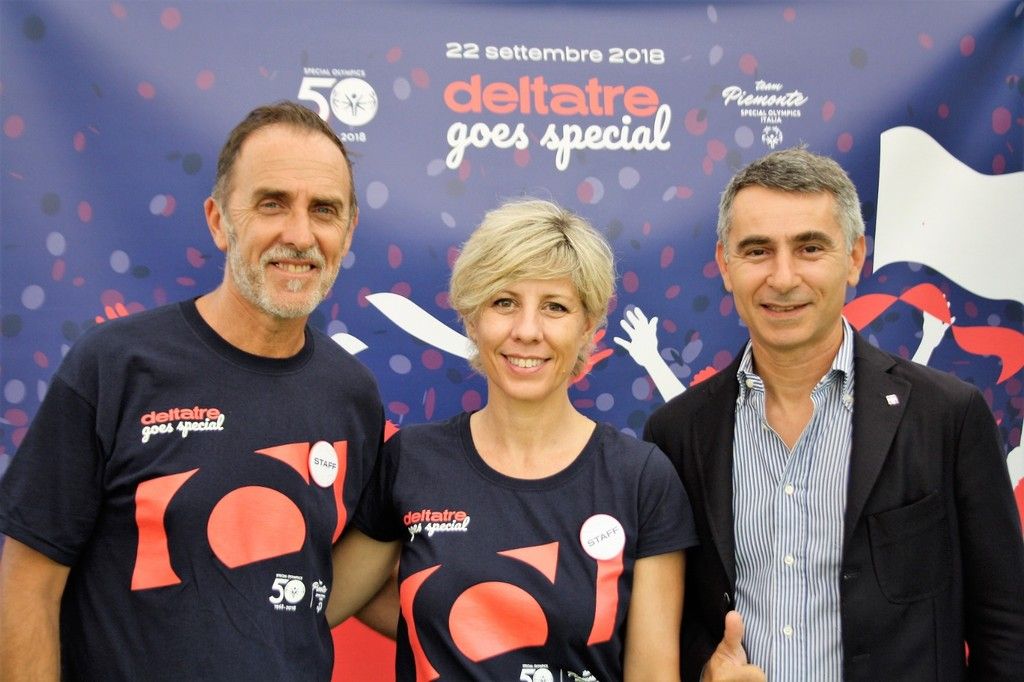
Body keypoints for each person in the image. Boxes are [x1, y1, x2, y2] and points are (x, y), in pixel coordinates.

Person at [0, 101, 385, 681]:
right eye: (272, 203)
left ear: (348, 231)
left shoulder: (352, 394)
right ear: (218, 221)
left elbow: (340, 574)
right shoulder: (115, 366)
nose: (299, 234)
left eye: (324, 210)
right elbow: (29, 582)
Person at [644, 146, 1024, 681]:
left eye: (809, 248)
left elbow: (1005, 625)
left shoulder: (947, 416)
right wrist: (704, 669)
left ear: (854, 257)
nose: (783, 277)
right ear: (725, 266)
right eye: (757, 250)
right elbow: (663, 616)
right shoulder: (677, 433)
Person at [328, 198, 698, 680]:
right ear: (472, 317)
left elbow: (652, 673)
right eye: (504, 302)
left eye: (555, 307)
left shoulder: (641, 479)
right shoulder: (411, 460)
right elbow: (327, 599)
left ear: (587, 326)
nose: (527, 331)